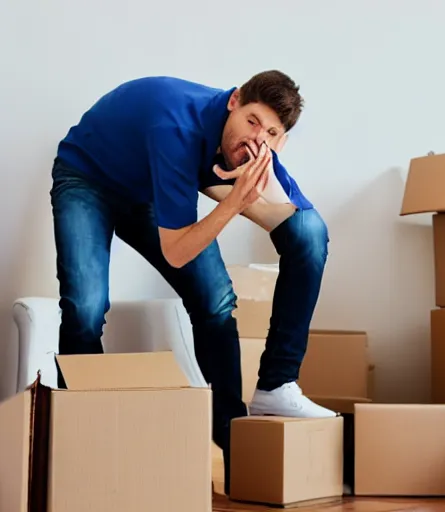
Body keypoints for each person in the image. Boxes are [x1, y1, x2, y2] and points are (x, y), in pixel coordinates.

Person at [50, 70, 335, 494]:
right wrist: (236, 202)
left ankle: (261, 404)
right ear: (234, 101)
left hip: (149, 186)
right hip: (87, 177)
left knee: (276, 257)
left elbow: (294, 217)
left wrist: (268, 159)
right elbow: (177, 251)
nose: (256, 137)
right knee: (85, 307)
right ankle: (83, 441)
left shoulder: (253, 146)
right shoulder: (175, 128)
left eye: (271, 132)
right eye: (253, 121)